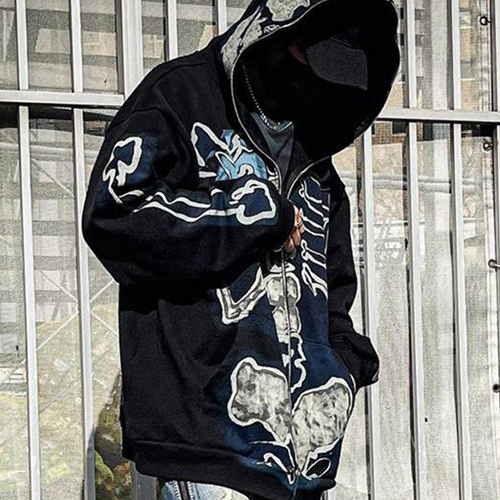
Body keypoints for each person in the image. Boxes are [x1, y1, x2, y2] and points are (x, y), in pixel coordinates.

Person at [81, 0, 400, 499]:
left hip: (304, 462)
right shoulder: (179, 98)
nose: (322, 86)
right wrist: (252, 216)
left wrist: (342, 366)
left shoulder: (315, 158)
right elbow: (115, 214)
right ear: (277, 34)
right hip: (207, 445)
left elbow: (336, 290)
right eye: (317, 62)